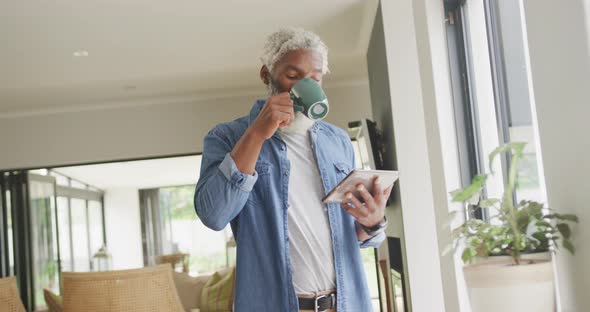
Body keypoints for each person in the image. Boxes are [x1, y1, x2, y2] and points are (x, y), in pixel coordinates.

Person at [194, 27, 392, 312]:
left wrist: (372, 222)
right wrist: (257, 134)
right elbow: (213, 215)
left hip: (346, 304)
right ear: (267, 75)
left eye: (315, 78)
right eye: (293, 76)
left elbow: (344, 234)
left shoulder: (338, 141)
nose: (306, 85)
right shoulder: (227, 137)